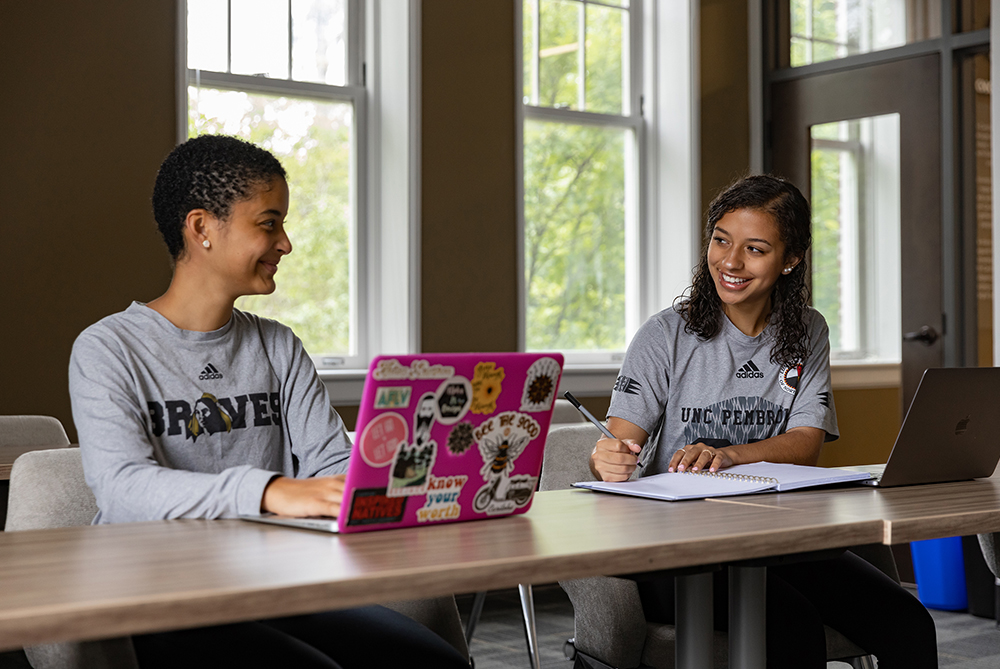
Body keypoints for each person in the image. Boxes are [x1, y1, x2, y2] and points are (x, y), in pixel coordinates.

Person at [69, 135, 468, 669]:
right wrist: (273, 491)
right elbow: (122, 489)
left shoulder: (278, 345)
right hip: (158, 595)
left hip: (274, 585)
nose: (286, 243)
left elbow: (333, 465)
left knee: (436, 663)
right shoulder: (107, 348)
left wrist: (419, 475)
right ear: (202, 228)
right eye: (269, 223)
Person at [590, 175, 937, 668]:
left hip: (779, 539)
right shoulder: (663, 335)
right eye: (721, 240)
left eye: (755, 249)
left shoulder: (806, 331)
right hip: (676, 552)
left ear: (790, 259)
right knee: (791, 628)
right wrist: (608, 458)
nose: (730, 262)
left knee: (909, 624)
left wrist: (728, 455)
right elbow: (618, 444)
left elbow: (806, 443)